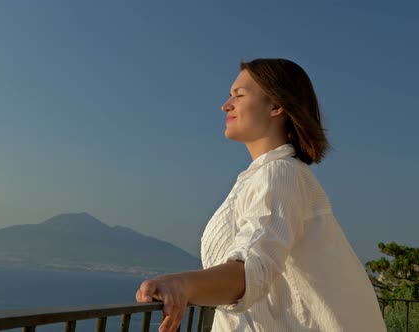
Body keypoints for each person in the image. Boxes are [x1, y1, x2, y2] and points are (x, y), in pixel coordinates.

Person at [135, 58, 387, 332]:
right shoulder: (264, 176)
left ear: (276, 106)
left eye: (238, 95)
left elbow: (251, 270)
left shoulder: (281, 174)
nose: (226, 104)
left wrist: (181, 284)